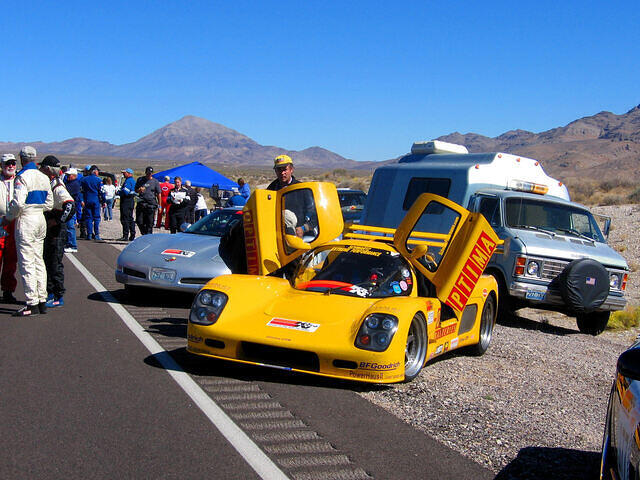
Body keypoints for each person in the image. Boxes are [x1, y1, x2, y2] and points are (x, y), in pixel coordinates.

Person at [5, 146, 53, 316]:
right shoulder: (43, 177)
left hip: (26, 218)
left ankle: (31, 302)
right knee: (38, 259)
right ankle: (42, 299)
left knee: (27, 261)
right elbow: (49, 203)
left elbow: (18, 203)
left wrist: (9, 217)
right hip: (40, 217)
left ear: (21, 158)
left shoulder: (22, 177)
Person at [40, 155, 75, 308]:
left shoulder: (58, 186)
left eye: (43, 167)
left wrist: (58, 221)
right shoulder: (52, 183)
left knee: (54, 262)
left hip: (57, 231)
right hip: (52, 228)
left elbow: (70, 206)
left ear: (48, 169)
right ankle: (50, 293)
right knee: (48, 260)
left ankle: (57, 295)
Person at [267, 154, 314, 237]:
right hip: (276, 236)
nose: (282, 173)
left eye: (285, 169)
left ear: (291, 170)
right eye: (279, 170)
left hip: (299, 237)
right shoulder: (271, 189)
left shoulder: (302, 189)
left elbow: (315, 213)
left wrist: (304, 228)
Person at [0, 154, 18, 303]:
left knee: (11, 260)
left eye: (13, 163)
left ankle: (8, 291)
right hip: (0, 222)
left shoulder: (19, 181)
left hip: (14, 224)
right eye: (7, 163)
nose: (10, 166)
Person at [135, 166, 161, 235]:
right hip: (141, 202)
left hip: (151, 204)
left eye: (150, 173)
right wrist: (139, 190)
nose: (149, 175)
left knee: (149, 223)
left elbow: (159, 194)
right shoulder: (140, 180)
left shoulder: (155, 182)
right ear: (145, 173)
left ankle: (148, 236)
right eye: (148, 173)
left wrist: (160, 205)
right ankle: (144, 233)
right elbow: (136, 190)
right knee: (139, 221)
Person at [80, 165, 104, 240]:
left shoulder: (84, 180)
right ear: (95, 171)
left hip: (87, 200)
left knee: (88, 218)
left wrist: (81, 200)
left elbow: (81, 191)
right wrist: (103, 201)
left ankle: (89, 234)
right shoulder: (99, 180)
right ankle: (96, 234)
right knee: (96, 218)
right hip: (95, 200)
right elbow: (102, 191)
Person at [64, 168, 81, 253]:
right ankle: (68, 243)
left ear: (74, 176)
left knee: (70, 226)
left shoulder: (74, 184)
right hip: (69, 206)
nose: (67, 176)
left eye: (69, 175)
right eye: (67, 175)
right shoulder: (70, 183)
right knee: (67, 225)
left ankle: (72, 245)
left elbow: (66, 193)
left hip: (71, 207)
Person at [118, 168, 136, 241]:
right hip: (130, 201)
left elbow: (125, 192)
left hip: (126, 201)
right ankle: (132, 234)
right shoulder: (132, 181)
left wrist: (119, 192)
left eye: (124, 173)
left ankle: (125, 235)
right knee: (129, 218)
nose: (123, 174)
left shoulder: (128, 181)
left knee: (125, 218)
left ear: (129, 173)